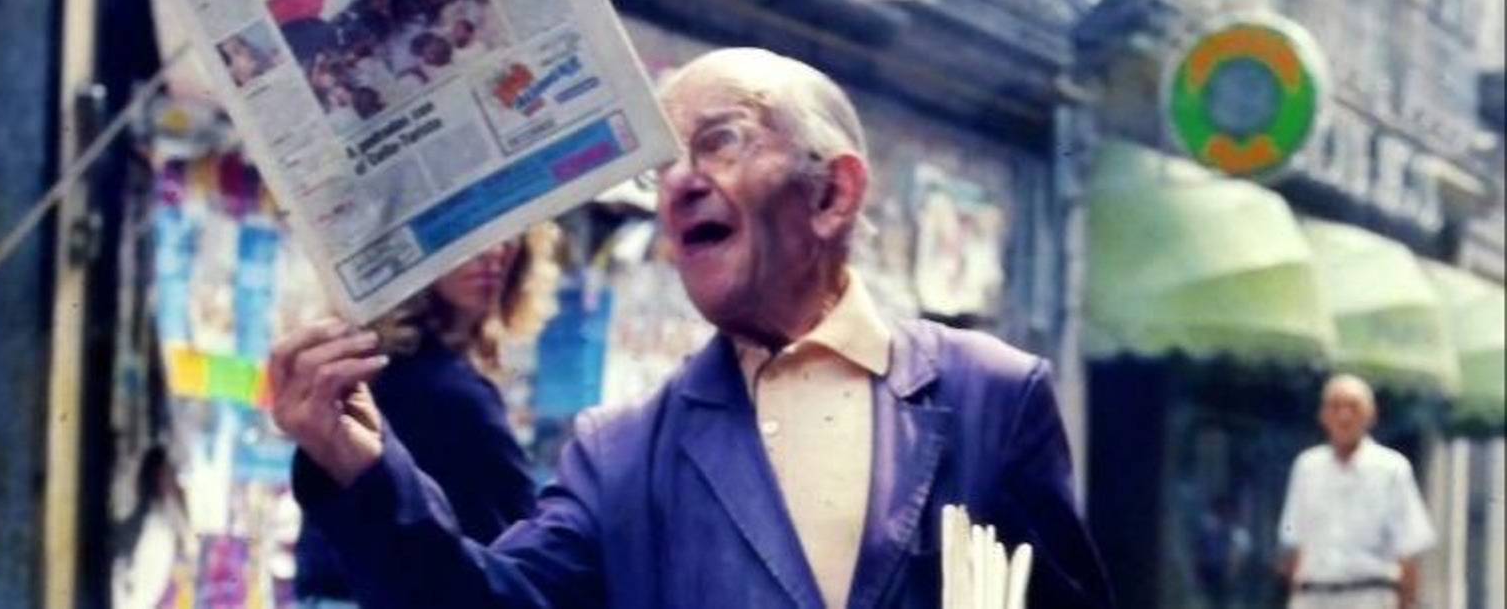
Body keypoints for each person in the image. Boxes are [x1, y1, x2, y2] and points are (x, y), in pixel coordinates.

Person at [271, 47, 1113, 608]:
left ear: (832, 195)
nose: (677, 184)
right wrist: (357, 465)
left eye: (719, 142)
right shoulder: (622, 453)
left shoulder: (992, 399)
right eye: (660, 166)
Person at [292, 226, 559, 607]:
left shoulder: (375, 368)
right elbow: (524, 559)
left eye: (506, 230)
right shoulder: (449, 395)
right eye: (465, 227)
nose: (493, 250)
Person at [1277, 374, 1435, 609]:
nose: (1344, 416)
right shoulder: (1307, 467)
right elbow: (1294, 542)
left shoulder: (1392, 468)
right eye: (1336, 406)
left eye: (1354, 407)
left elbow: (1409, 549)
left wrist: (1406, 604)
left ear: (1371, 415)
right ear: (1323, 415)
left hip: (1371, 596)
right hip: (1313, 596)